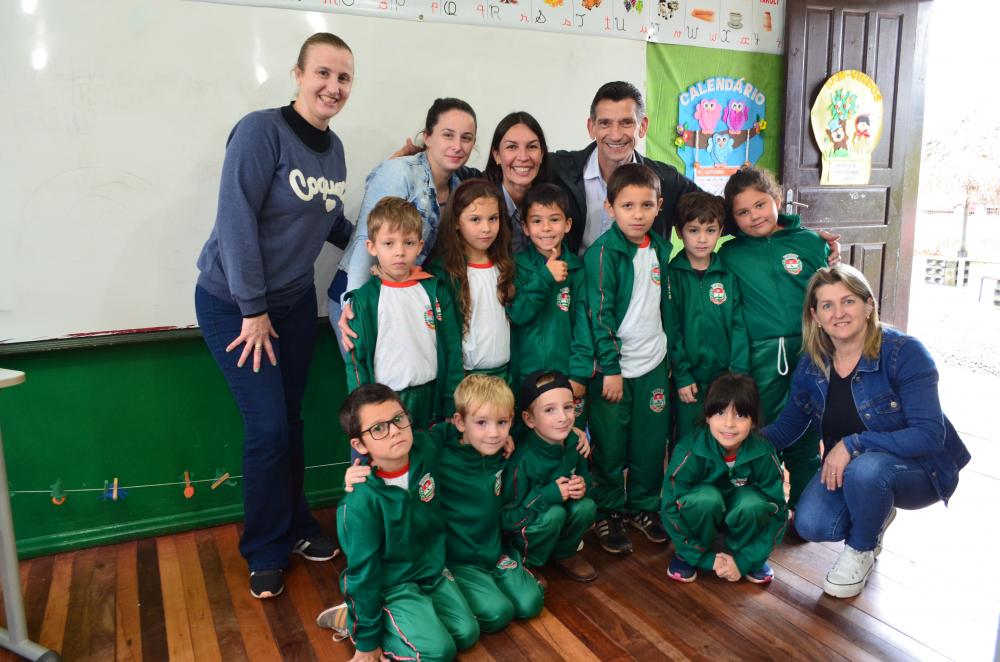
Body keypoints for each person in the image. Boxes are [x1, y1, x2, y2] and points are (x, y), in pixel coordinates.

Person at [193, 32, 352, 599]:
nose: (333, 86)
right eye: (323, 73)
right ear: (298, 74)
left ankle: (298, 524)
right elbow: (235, 219)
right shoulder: (261, 132)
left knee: (291, 421)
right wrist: (253, 309)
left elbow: (327, 218)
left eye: (344, 77)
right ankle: (264, 547)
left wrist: (381, 245)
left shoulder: (334, 148)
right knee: (267, 429)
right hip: (234, 305)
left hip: (292, 302)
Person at [762, 265, 971, 598]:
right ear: (815, 316)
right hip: (857, 472)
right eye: (827, 305)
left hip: (923, 470)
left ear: (868, 305)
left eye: (848, 301)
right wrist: (734, 443)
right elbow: (790, 425)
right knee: (810, 523)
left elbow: (930, 435)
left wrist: (853, 444)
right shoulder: (813, 363)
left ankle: (861, 548)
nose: (839, 313)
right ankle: (875, 512)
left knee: (867, 467)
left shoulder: (904, 353)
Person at [334, 384, 480, 661]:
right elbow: (363, 574)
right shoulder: (359, 503)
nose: (394, 431)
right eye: (378, 428)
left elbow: (451, 431)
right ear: (360, 445)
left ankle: (408, 619)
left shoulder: (425, 448)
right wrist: (367, 644)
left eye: (398, 419)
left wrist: (497, 440)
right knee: (440, 652)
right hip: (392, 585)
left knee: (467, 633)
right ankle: (359, 623)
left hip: (429, 571)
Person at [717, 167, 829, 512]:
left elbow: (829, 290)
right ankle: (766, 507)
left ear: (777, 199)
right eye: (742, 212)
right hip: (762, 357)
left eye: (760, 205)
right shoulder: (730, 254)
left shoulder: (810, 243)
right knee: (764, 428)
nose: (754, 216)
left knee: (808, 428)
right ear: (733, 218)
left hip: (810, 350)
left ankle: (804, 508)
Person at [334, 97, 478, 351]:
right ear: (428, 137)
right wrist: (353, 303)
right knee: (370, 376)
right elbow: (365, 239)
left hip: (405, 296)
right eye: (448, 135)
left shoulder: (460, 186)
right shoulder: (400, 172)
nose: (457, 146)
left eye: (466, 138)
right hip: (363, 292)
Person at [584, 163, 674, 554]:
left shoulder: (662, 250)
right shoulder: (603, 254)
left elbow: (665, 309)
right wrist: (611, 368)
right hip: (614, 370)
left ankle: (643, 506)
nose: (638, 214)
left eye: (646, 205)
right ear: (610, 208)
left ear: (659, 206)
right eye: (627, 206)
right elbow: (600, 316)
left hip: (653, 364)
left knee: (650, 443)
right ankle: (608, 511)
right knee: (609, 445)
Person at [343, 196, 463, 428]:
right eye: (389, 243)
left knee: (431, 449)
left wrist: (451, 402)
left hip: (432, 398)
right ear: (372, 247)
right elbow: (357, 362)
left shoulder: (435, 290)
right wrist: (363, 410)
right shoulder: (364, 300)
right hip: (386, 401)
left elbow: (452, 349)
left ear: (420, 245)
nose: (399, 252)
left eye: (408, 243)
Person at [660, 374, 786, 584]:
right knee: (706, 499)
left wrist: (746, 560)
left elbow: (779, 511)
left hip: (741, 515)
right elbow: (669, 506)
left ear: (753, 422)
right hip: (703, 515)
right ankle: (688, 555)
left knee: (753, 503)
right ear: (707, 416)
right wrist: (703, 558)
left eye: (740, 415)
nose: (729, 424)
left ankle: (745, 553)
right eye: (720, 413)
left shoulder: (763, 452)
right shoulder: (689, 450)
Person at [549, 81, 700, 255]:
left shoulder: (667, 180)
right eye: (605, 123)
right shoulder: (557, 170)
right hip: (571, 273)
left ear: (643, 126)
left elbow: (717, 215)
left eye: (626, 123)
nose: (615, 135)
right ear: (592, 127)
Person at [501, 371, 598, 582]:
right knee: (554, 514)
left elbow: (588, 478)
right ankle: (528, 563)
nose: (563, 417)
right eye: (549, 410)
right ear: (529, 419)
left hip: (558, 523)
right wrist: (548, 495)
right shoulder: (522, 460)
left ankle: (565, 554)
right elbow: (507, 519)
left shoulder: (576, 443)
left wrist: (584, 484)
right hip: (530, 529)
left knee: (586, 507)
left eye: (568, 407)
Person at [507, 184, 594, 417]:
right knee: (528, 430)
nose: (546, 228)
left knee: (567, 430)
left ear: (567, 224)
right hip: (525, 376)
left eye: (554, 220)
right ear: (525, 228)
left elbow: (583, 326)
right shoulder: (517, 267)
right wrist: (545, 276)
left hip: (565, 376)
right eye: (537, 221)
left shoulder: (577, 269)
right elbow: (518, 314)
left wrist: (579, 374)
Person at [668, 191, 749, 439]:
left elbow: (738, 326)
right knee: (689, 439)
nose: (702, 239)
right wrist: (682, 376)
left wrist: (737, 375)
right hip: (689, 380)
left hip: (725, 377)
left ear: (721, 231)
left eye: (711, 230)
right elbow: (671, 329)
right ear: (679, 232)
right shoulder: (671, 276)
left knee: (724, 437)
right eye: (693, 230)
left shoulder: (728, 275)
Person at [428, 179, 516, 382]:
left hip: (505, 376)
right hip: (465, 380)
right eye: (475, 219)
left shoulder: (506, 266)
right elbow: (444, 337)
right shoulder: (443, 273)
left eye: (493, 218)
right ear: (456, 222)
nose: (486, 228)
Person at [483, 111, 551, 254]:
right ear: (497, 155)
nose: (523, 157)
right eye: (512, 147)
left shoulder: (553, 201)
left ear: (542, 155)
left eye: (532, 147)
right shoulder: (479, 204)